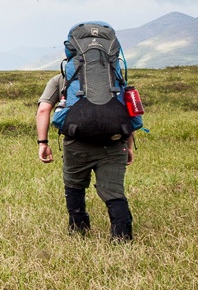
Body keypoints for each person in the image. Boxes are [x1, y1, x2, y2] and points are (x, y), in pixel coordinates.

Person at [36, 62, 136, 242]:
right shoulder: (114, 78)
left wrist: (43, 142)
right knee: (114, 191)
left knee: (74, 185)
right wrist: (129, 145)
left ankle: (78, 230)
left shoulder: (62, 79)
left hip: (76, 145)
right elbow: (127, 113)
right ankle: (122, 236)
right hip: (113, 144)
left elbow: (44, 109)